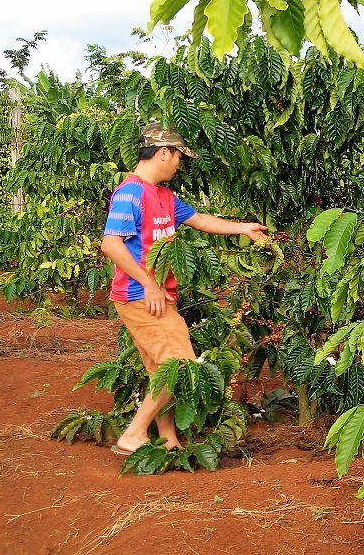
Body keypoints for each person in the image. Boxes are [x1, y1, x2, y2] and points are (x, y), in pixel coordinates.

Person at [100, 123, 267, 455]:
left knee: (160, 370)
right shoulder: (130, 193)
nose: (179, 164)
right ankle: (134, 434)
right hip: (140, 297)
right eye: (178, 157)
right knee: (180, 365)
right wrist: (148, 283)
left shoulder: (163, 196)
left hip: (160, 297)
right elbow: (111, 245)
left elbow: (202, 220)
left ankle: (167, 439)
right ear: (163, 153)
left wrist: (243, 228)